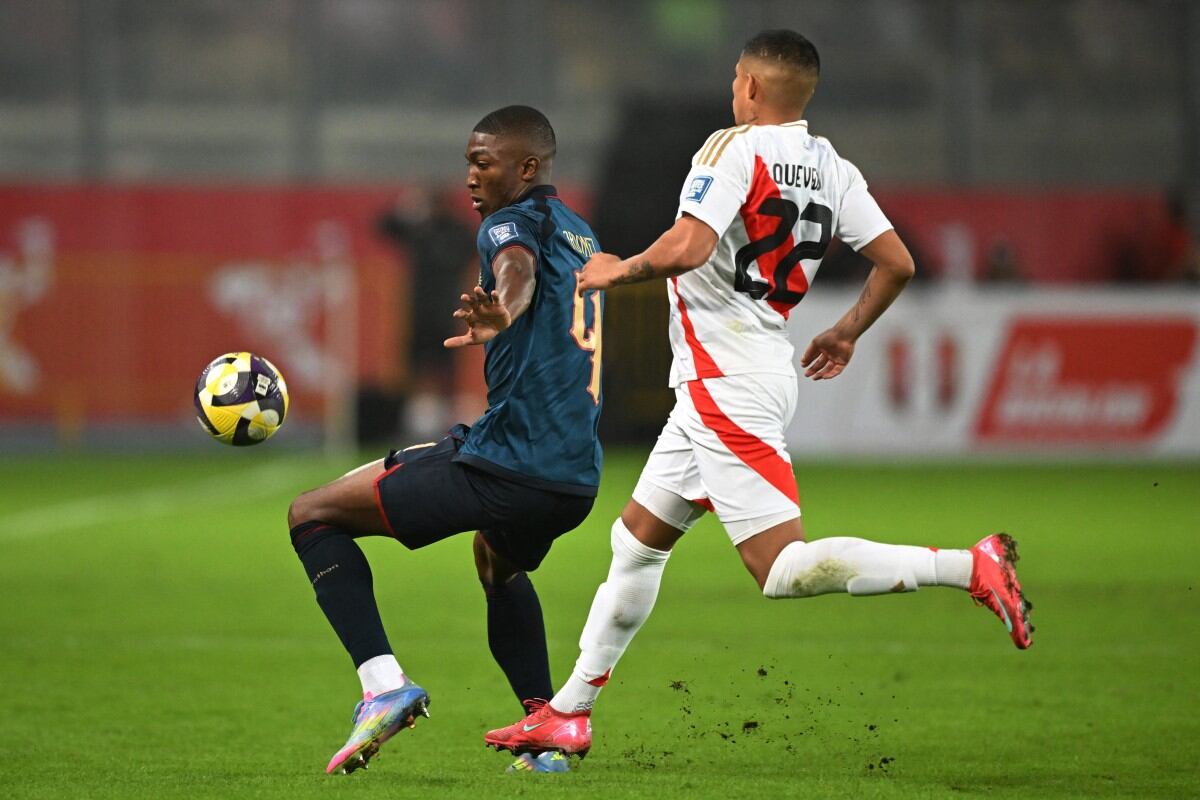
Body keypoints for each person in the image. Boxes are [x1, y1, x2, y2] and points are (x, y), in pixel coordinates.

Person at [483, 30, 1034, 761]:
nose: (731, 91)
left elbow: (689, 244)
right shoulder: (832, 166)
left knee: (781, 569)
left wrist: (622, 268)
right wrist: (845, 330)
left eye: (736, 80)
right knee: (636, 544)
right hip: (742, 371)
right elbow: (895, 262)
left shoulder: (732, 149)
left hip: (725, 380)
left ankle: (969, 565)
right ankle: (569, 713)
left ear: (748, 86)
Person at [287, 105, 604, 775]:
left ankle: (382, 688)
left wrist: (502, 308)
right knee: (497, 561)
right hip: (574, 478)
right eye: (468, 161)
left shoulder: (507, 223)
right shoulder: (580, 233)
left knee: (311, 514)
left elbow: (515, 270)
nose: (469, 176)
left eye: (482, 162)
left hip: (508, 464)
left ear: (525, 167)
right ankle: (547, 728)